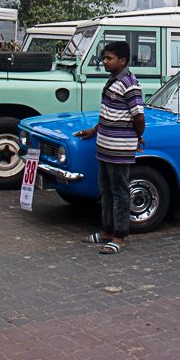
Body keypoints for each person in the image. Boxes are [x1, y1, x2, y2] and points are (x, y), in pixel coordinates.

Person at [74, 41, 145, 255]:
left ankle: (120, 236)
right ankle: (106, 231)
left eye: (109, 58)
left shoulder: (129, 83)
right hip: (104, 146)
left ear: (122, 61)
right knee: (105, 189)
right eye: (104, 58)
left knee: (120, 192)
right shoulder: (112, 80)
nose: (104, 62)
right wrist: (94, 130)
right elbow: (109, 113)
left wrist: (137, 137)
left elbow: (138, 117)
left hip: (119, 149)